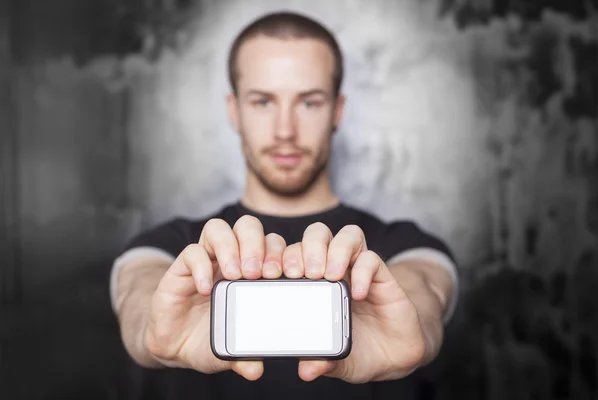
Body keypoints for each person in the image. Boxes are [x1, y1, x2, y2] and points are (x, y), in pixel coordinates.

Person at [110, 10, 459, 400]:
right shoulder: (169, 246)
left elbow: (423, 290)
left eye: (309, 102)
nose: (285, 131)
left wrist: (416, 330)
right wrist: (149, 333)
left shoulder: (405, 245)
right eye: (262, 102)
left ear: (337, 112)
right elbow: (138, 294)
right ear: (234, 111)